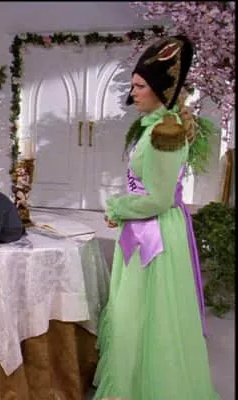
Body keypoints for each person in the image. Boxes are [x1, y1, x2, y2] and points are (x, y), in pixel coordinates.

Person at [92, 35, 219, 399]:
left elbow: (160, 200)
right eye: (133, 85)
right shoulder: (153, 124)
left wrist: (117, 207)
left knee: (148, 316)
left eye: (140, 86)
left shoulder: (166, 133)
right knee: (134, 313)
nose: (132, 93)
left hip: (155, 234)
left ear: (161, 91)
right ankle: (131, 381)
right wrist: (125, 214)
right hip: (143, 228)